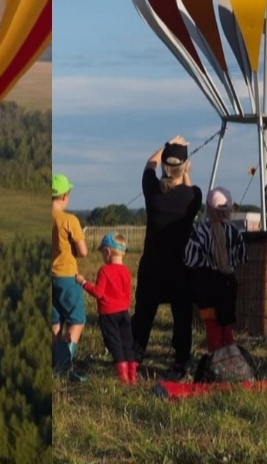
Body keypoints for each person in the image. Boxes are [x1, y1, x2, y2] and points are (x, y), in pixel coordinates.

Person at [132, 136, 203, 380]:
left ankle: (133, 359)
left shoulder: (152, 193)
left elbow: (148, 165)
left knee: (143, 315)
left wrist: (166, 146)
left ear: (164, 166)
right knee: (182, 318)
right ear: (185, 168)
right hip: (180, 269)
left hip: (152, 266)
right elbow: (190, 191)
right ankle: (180, 362)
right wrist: (183, 161)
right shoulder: (192, 197)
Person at [184, 187, 247, 353]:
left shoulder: (200, 233)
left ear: (208, 208)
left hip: (206, 284)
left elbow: (190, 260)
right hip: (227, 283)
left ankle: (215, 361)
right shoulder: (236, 233)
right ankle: (231, 360)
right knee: (226, 326)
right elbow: (241, 259)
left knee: (212, 326)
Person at [75, 233, 136, 385]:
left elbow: (98, 293)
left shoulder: (105, 270)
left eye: (102, 252)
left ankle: (122, 376)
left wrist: (83, 283)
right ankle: (132, 376)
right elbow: (128, 295)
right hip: (124, 312)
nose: (102, 256)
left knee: (114, 343)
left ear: (108, 251)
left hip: (108, 314)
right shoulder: (127, 272)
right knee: (127, 343)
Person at [52, 173, 88, 381]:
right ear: (65, 195)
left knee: (55, 321)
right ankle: (65, 364)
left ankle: (55, 360)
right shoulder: (69, 220)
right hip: (67, 275)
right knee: (77, 320)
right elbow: (83, 251)